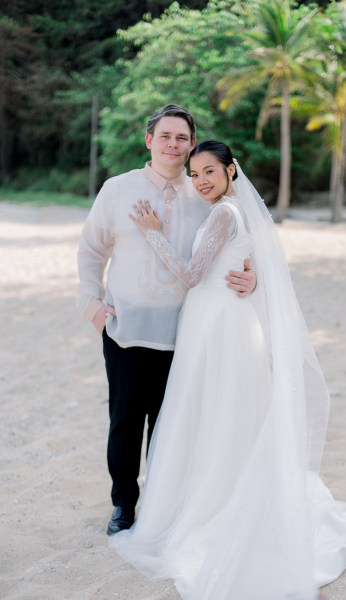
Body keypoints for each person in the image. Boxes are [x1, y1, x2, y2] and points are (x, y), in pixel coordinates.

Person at [109, 141, 346, 600]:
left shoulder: (226, 214)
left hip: (221, 327)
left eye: (210, 170)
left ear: (232, 170)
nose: (201, 179)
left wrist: (151, 231)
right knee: (222, 415)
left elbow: (190, 274)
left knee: (216, 413)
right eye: (194, 173)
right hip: (219, 319)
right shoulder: (228, 212)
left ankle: (219, 500)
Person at [77, 106, 256, 536]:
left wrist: (251, 277)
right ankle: (123, 506)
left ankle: (162, 503)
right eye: (165, 136)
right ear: (149, 140)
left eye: (182, 138)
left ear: (192, 144)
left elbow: (234, 249)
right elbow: (91, 251)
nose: (173, 145)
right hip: (127, 329)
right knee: (125, 422)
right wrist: (93, 306)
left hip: (186, 333)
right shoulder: (117, 190)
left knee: (173, 424)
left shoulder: (207, 193)